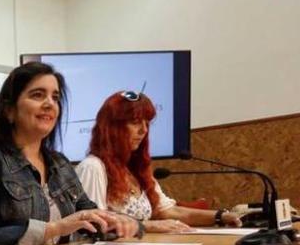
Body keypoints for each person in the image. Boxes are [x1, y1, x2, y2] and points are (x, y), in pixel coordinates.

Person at [0, 62, 139, 245]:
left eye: (55, 98)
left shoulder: (60, 163)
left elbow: (90, 215)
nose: (49, 104)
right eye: (38, 95)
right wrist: (53, 229)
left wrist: (123, 223)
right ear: (9, 110)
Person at [75, 91, 242, 232]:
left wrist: (221, 216)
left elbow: (168, 211)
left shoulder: (134, 170)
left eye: (147, 123)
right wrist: (149, 226)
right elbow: (95, 226)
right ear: (112, 128)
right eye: (135, 122)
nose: (144, 130)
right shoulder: (93, 168)